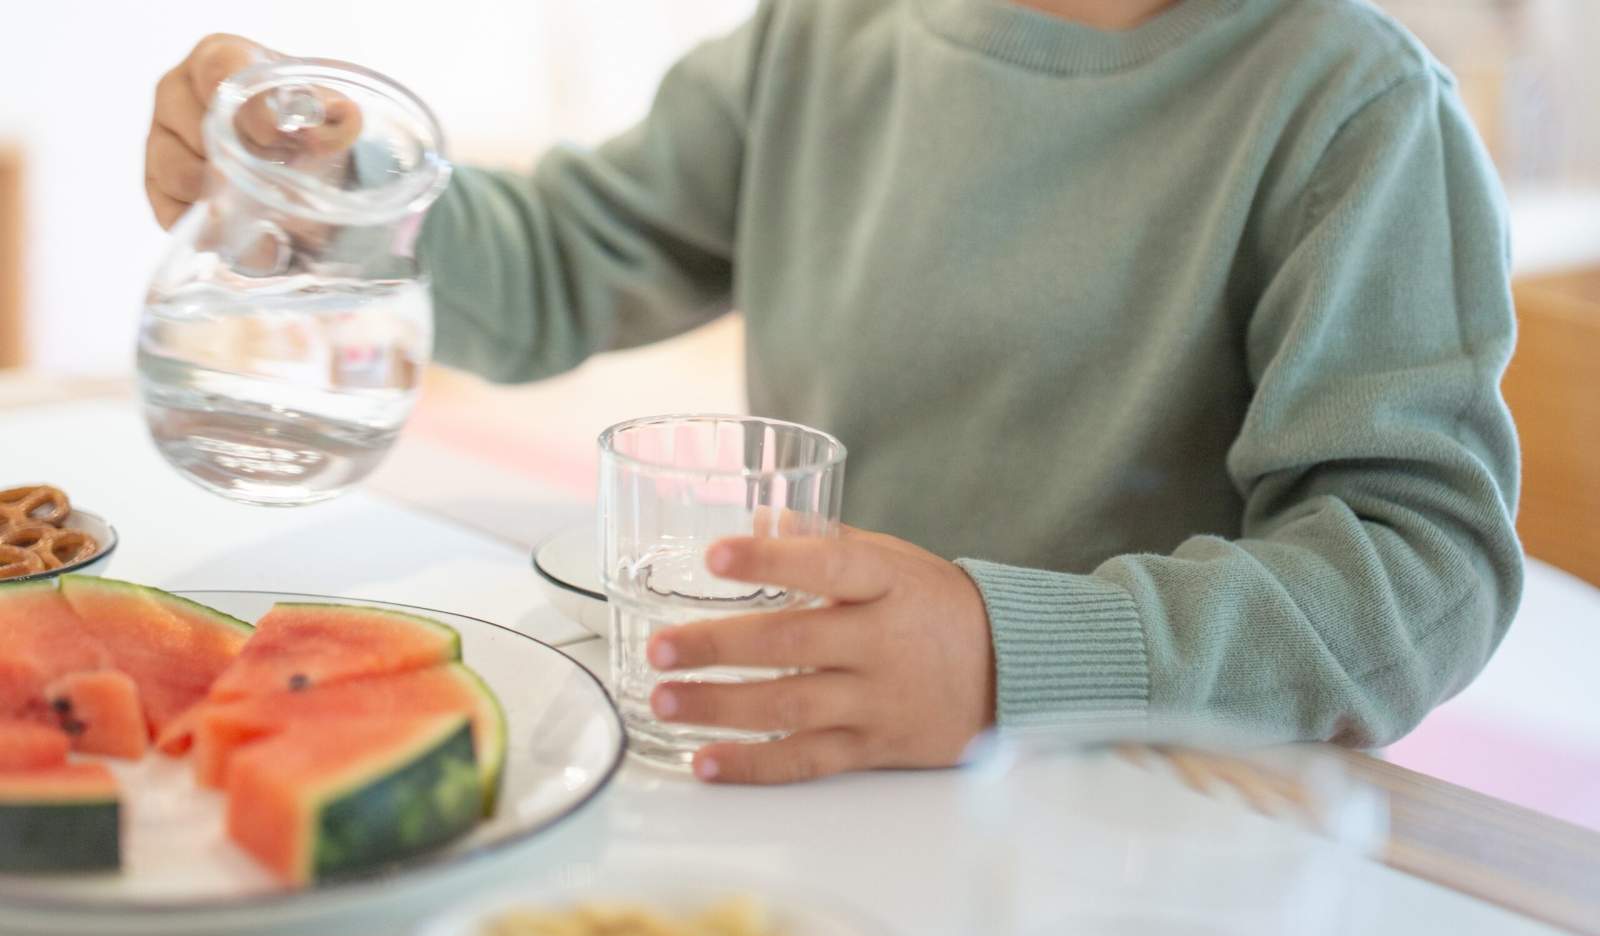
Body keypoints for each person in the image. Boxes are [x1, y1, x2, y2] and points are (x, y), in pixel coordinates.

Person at [144, 0, 1523, 785]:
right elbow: (566, 255)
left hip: (1150, 820)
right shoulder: (827, 33)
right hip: (822, 770)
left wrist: (1003, 658)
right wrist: (343, 199)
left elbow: (1420, 570)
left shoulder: (1353, 106)